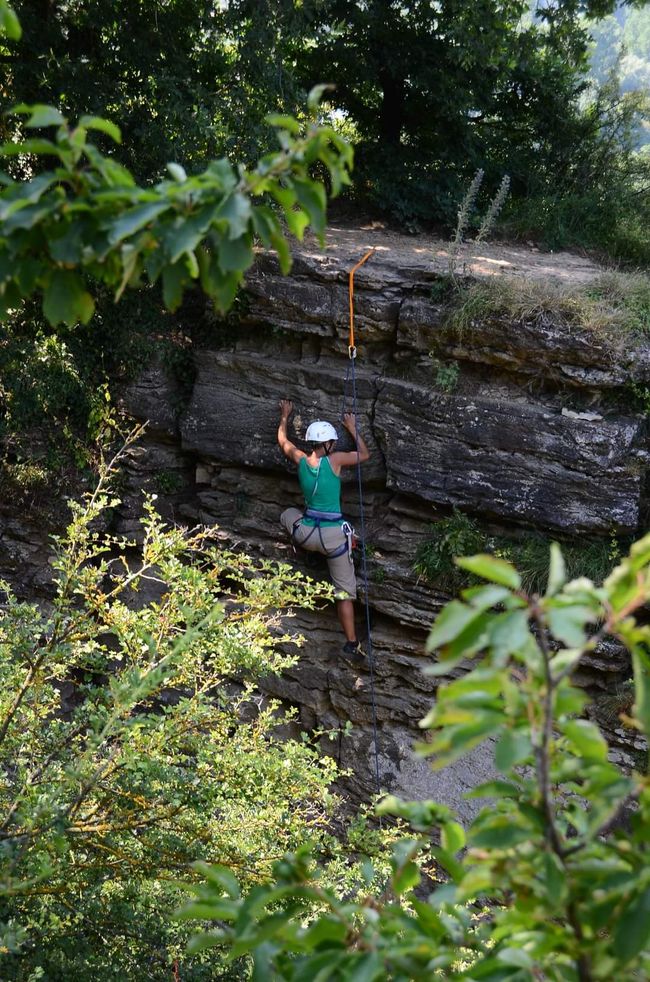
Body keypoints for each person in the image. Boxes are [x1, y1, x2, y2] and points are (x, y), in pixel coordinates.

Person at [277, 399, 370, 660]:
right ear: (328, 443)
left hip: (306, 533)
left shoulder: (301, 460)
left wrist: (285, 415)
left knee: (287, 514)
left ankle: (300, 550)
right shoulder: (336, 460)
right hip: (333, 539)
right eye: (333, 442)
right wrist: (352, 428)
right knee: (344, 593)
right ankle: (352, 643)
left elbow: (283, 441)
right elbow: (364, 455)